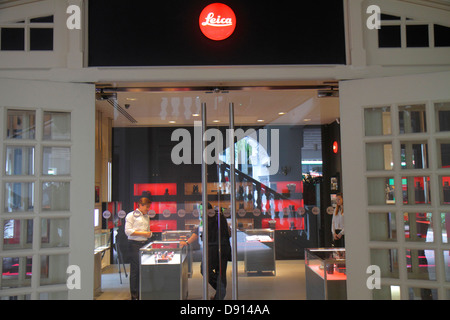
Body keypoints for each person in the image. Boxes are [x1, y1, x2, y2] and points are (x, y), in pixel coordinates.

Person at [181, 203, 231, 300]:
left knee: (205, 269)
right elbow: (229, 232)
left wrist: (186, 242)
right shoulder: (220, 216)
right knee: (220, 272)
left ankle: (221, 290)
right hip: (224, 247)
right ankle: (219, 296)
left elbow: (197, 233)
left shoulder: (208, 217)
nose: (200, 213)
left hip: (213, 248)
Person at [125, 197, 152, 300]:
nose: (148, 208)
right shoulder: (131, 215)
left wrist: (149, 234)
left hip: (144, 243)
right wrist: (144, 233)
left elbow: (148, 230)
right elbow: (128, 232)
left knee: (143, 269)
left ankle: (141, 292)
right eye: (147, 206)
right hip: (134, 245)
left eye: (149, 206)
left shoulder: (147, 217)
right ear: (140, 205)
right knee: (135, 270)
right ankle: (134, 295)